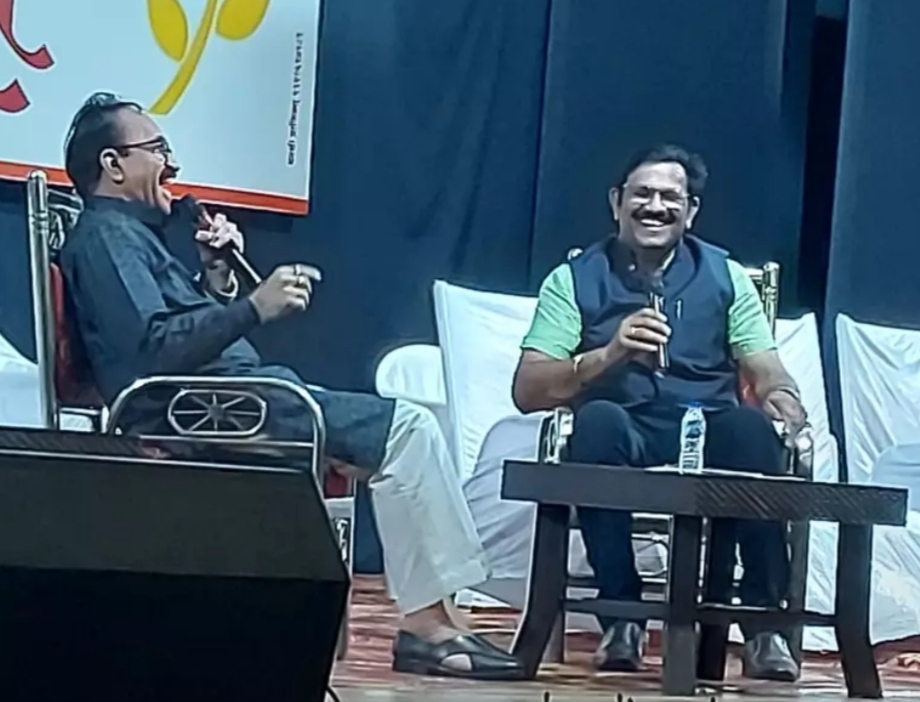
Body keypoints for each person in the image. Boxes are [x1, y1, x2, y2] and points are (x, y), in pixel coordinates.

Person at [58, 92, 524, 681]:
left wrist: (217, 275)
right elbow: (150, 353)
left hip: (230, 400)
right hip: (199, 412)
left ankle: (441, 617)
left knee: (403, 433)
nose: (171, 163)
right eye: (158, 149)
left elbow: (177, 331)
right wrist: (254, 307)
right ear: (113, 164)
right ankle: (429, 627)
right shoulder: (107, 238)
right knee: (406, 430)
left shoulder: (132, 237)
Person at [512, 144, 807, 681]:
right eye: (642, 194)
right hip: (625, 422)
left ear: (690, 211)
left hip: (704, 422)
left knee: (753, 432)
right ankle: (621, 617)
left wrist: (781, 394)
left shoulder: (725, 276)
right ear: (616, 202)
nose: (655, 206)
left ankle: (764, 626)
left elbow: (763, 364)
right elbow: (528, 390)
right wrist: (609, 354)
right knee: (595, 427)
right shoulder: (573, 279)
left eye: (670, 197)